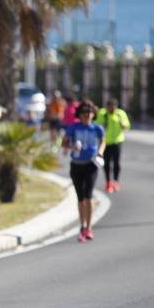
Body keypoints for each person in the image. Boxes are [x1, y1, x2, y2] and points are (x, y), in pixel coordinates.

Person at [62, 100, 105, 242]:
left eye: (89, 113)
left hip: (91, 165)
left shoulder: (97, 128)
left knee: (89, 197)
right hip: (76, 165)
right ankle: (82, 226)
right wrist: (72, 147)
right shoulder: (73, 127)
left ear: (93, 114)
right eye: (84, 113)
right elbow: (64, 143)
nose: (87, 115)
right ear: (79, 115)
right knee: (80, 199)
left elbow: (103, 142)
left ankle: (89, 227)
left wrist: (100, 152)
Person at [95, 98, 131, 193]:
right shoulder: (102, 113)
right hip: (105, 142)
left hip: (117, 141)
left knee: (116, 163)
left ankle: (116, 181)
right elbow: (96, 124)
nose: (111, 109)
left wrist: (123, 125)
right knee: (106, 163)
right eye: (109, 106)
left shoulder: (120, 113)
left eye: (113, 107)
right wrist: (102, 126)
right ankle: (108, 182)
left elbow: (127, 125)